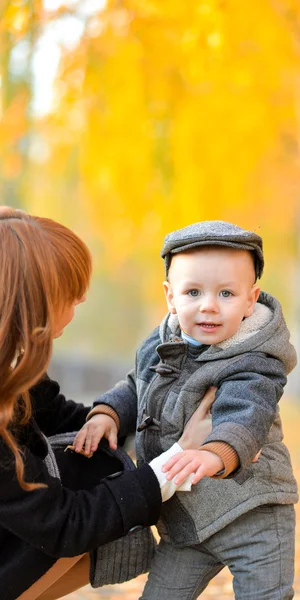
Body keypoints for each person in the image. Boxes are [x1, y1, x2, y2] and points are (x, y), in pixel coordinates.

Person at [0, 207, 216, 600]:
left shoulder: (12, 370)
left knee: (97, 463)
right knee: (91, 483)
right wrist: (176, 461)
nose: (81, 298)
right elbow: (62, 524)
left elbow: (69, 418)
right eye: (70, 292)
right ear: (34, 303)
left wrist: (109, 414)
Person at [77, 220, 299, 600]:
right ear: (170, 296)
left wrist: (217, 452)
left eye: (226, 293)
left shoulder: (254, 360)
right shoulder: (161, 343)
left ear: (250, 299)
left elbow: (247, 411)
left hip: (252, 512)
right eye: (193, 291)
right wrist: (107, 414)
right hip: (185, 523)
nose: (208, 306)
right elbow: (136, 385)